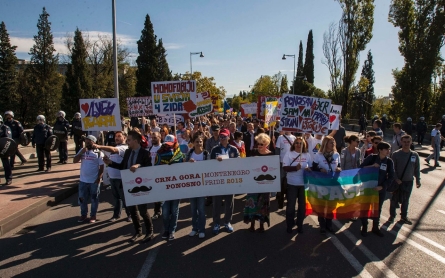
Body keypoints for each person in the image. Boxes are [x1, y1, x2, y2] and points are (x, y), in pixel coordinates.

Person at [104, 130, 155, 243]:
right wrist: (110, 162)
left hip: (141, 185)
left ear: (135, 141)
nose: (127, 142)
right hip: (128, 185)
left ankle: (149, 232)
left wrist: (139, 165)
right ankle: (138, 231)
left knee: (142, 210)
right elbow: (123, 167)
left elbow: (148, 168)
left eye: (129, 140)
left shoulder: (145, 153)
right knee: (132, 210)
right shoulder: (127, 152)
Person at [92, 131, 130, 222]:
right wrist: (107, 160)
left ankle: (130, 215)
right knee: (116, 199)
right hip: (113, 178)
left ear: (124, 138)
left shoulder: (124, 148)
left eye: (119, 136)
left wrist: (99, 146)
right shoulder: (116, 147)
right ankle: (116, 215)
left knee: (125, 199)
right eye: (116, 136)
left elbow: (113, 150)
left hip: (121, 178)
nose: (116, 138)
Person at [359, 141, 394, 237]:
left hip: (380, 189)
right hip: (368, 188)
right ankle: (364, 227)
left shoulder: (389, 161)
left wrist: (382, 186)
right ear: (380, 150)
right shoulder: (372, 157)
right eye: (386, 149)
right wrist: (371, 166)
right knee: (365, 207)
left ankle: (375, 227)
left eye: (389, 149)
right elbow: (361, 169)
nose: (388, 151)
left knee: (378, 209)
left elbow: (391, 176)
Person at [210, 128, 240, 235]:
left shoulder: (234, 149)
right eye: (221, 137)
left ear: (228, 137)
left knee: (229, 203)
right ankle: (216, 223)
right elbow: (209, 165)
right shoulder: (214, 149)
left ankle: (227, 222)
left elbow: (238, 162)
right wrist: (215, 161)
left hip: (230, 179)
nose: (222, 139)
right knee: (216, 203)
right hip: (218, 180)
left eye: (224, 137)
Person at [244, 133, 274, 232]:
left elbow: (273, 169)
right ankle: (252, 224)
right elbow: (247, 166)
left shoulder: (271, 155)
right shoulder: (253, 152)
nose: (260, 146)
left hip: (265, 184)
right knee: (253, 202)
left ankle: (261, 225)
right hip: (253, 183)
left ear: (266, 144)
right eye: (259, 144)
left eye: (262, 144)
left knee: (263, 204)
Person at [155, 134, 184, 241]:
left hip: (176, 186)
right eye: (167, 144)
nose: (168, 146)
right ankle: (166, 229)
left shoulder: (180, 155)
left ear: (175, 143)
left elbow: (183, 169)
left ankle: (172, 230)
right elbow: (156, 168)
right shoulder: (159, 153)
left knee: (175, 210)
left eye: (170, 144)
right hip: (164, 186)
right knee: (166, 211)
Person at [312, 136, 341, 234]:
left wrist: (339, 170)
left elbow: (339, 167)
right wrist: (320, 170)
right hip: (322, 184)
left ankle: (329, 224)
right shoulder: (318, 155)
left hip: (333, 183)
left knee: (331, 205)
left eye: (333, 142)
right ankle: (322, 225)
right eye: (330, 143)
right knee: (322, 205)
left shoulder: (337, 155)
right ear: (325, 144)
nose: (333, 144)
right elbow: (313, 168)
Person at [282, 136, 312, 233]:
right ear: (294, 144)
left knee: (302, 207)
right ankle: (289, 225)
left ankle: (300, 224)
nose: (299, 145)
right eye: (297, 143)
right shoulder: (289, 153)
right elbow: (285, 168)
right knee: (290, 206)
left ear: (304, 145)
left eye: (301, 143)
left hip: (304, 184)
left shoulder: (307, 155)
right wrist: (295, 168)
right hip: (292, 184)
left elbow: (310, 167)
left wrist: (308, 169)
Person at [389, 135, 421, 225]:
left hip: (408, 182)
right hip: (397, 182)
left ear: (411, 142)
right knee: (394, 200)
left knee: (406, 200)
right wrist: (396, 178)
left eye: (408, 142)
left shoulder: (415, 155)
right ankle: (392, 216)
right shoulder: (396, 154)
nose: (406, 143)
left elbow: (417, 169)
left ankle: (404, 216)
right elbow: (392, 169)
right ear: (401, 142)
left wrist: (418, 180)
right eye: (404, 141)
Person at [73, 135, 104, 224]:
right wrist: (81, 153)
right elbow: (74, 160)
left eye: (89, 141)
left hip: (94, 181)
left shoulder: (98, 153)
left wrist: (99, 178)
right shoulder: (82, 151)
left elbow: (101, 167)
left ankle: (93, 215)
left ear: (93, 142)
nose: (87, 142)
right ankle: (83, 214)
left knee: (94, 199)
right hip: (83, 180)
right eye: (86, 141)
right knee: (82, 199)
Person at [185, 134, 209, 239]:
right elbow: (183, 166)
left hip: (202, 186)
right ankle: (194, 228)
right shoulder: (190, 153)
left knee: (201, 209)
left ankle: (202, 229)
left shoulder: (206, 154)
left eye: (200, 141)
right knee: (193, 209)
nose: (199, 143)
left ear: (203, 142)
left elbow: (210, 168)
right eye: (197, 141)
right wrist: (187, 162)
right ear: (193, 143)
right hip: (191, 186)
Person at [275, 131, 296, 208]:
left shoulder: (294, 138)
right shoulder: (280, 137)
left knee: (289, 180)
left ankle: (288, 196)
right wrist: (276, 160)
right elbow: (277, 150)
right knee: (281, 179)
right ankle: (280, 196)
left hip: (291, 162)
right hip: (282, 162)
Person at [147, 132, 163, 220]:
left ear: (160, 137)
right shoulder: (150, 148)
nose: (153, 139)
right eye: (152, 138)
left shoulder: (163, 148)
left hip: (161, 173)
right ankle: (157, 211)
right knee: (156, 194)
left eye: (155, 137)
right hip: (152, 174)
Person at [0, 115, 13, 185]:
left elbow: (8, 139)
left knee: (6, 164)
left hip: (3, 149)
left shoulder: (5, 128)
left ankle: (9, 178)